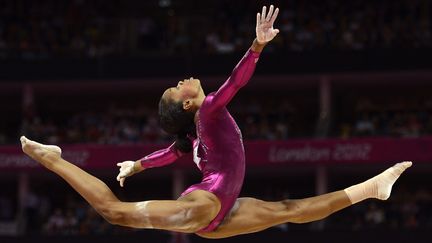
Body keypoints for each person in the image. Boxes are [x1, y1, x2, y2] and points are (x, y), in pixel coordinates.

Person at [20, 5, 412, 239]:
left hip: (219, 215)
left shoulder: (195, 133)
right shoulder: (207, 109)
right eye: (177, 87)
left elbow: (167, 154)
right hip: (206, 206)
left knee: (289, 209)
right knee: (115, 213)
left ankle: (372, 187)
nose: (181, 81)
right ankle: (53, 158)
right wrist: (257, 46)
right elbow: (234, 82)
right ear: (189, 103)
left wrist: (138, 164)